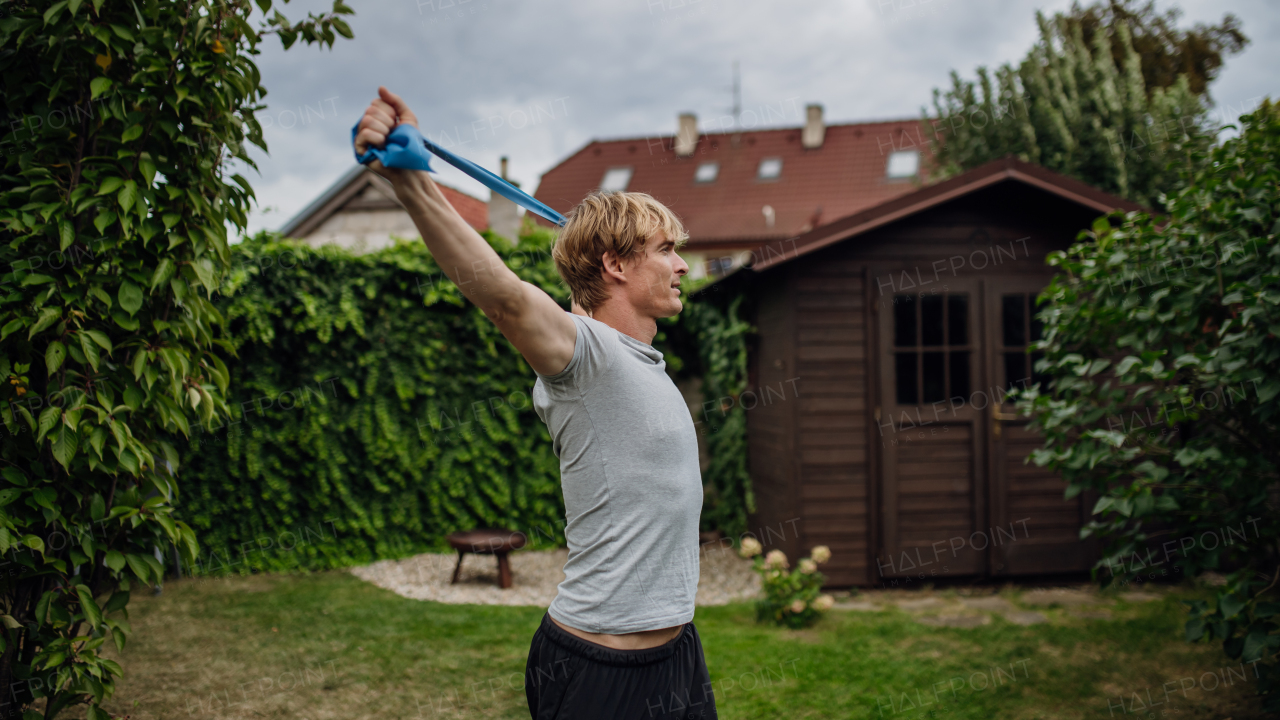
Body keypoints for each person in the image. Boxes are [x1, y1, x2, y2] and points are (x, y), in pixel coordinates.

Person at [354, 87, 716, 720]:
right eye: (665, 249)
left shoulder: (636, 359)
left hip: (678, 653)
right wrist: (409, 182)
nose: (682, 265)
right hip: (601, 670)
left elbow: (568, 305)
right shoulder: (587, 357)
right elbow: (505, 297)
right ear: (616, 265)